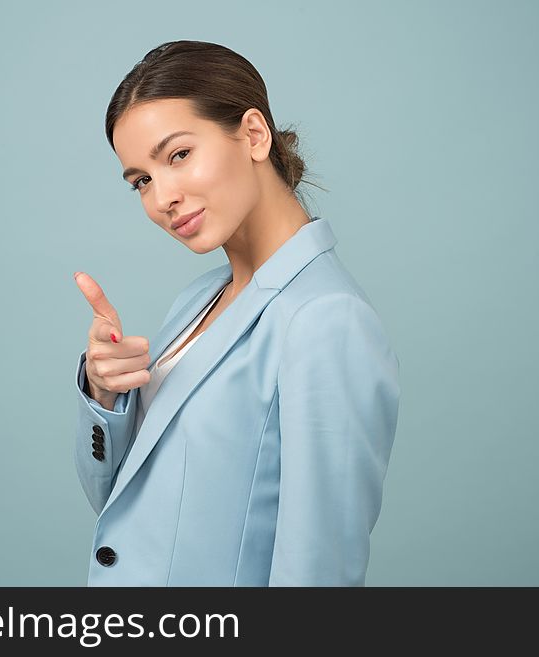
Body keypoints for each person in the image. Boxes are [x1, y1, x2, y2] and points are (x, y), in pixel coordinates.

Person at [72, 40, 400, 586]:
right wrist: (105, 397)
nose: (162, 198)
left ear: (253, 135)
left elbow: (320, 573)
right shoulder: (196, 299)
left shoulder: (325, 319)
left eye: (177, 155)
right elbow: (119, 510)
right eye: (141, 181)